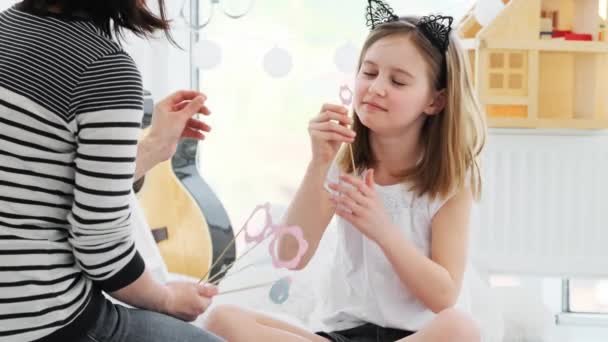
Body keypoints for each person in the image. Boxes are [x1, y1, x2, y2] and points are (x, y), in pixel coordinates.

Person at [202, 1, 486, 341]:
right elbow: (289, 256)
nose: (376, 87)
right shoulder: (345, 166)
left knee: (461, 329)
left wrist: (382, 228)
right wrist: (319, 164)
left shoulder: (449, 183)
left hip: (417, 334)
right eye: (369, 72)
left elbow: (443, 297)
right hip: (342, 334)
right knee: (221, 319)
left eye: (398, 81)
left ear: (435, 101)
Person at [0, 1, 223, 341]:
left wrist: (150, 150)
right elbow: (98, 246)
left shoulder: (8, 26)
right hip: (37, 321)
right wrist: (166, 297)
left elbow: (34, 182)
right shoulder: (103, 69)